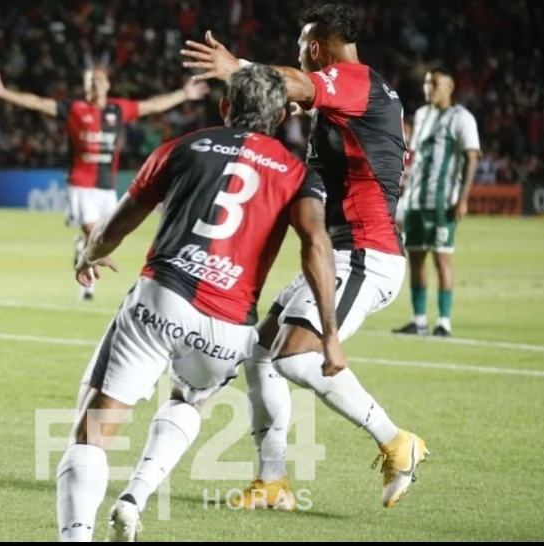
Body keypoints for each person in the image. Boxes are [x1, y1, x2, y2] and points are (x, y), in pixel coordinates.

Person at [56, 63, 343, 542]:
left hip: (162, 299)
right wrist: (330, 333)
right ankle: (134, 498)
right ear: (279, 118)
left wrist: (89, 254)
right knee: (190, 398)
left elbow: (118, 224)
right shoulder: (298, 174)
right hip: (229, 326)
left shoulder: (184, 146)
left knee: (93, 431)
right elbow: (316, 243)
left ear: (225, 107)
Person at [180, 3, 428, 510]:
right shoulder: (357, 94)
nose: (298, 56)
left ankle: (396, 441)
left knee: (295, 355)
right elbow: (321, 110)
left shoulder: (355, 80)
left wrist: (238, 69)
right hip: (341, 252)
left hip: (366, 254)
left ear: (315, 47)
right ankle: (272, 482)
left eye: (300, 47)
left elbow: (297, 83)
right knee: (261, 351)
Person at [0, 66, 209, 301]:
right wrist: (3, 93)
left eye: (98, 80)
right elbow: (38, 103)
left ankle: (83, 247)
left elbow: (151, 105)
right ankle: (88, 285)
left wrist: (183, 94)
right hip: (80, 184)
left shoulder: (118, 109)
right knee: (94, 232)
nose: (94, 85)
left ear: (107, 85)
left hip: (106, 187)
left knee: (107, 234)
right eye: (90, 81)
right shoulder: (75, 109)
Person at [393, 70, 481, 337]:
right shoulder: (421, 115)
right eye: (426, 83)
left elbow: (472, 158)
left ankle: (444, 322)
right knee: (416, 258)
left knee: (442, 259)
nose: (428, 88)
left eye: (434, 83)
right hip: (415, 200)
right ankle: (419, 320)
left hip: (443, 202)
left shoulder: (462, 118)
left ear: (450, 87)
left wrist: (463, 198)